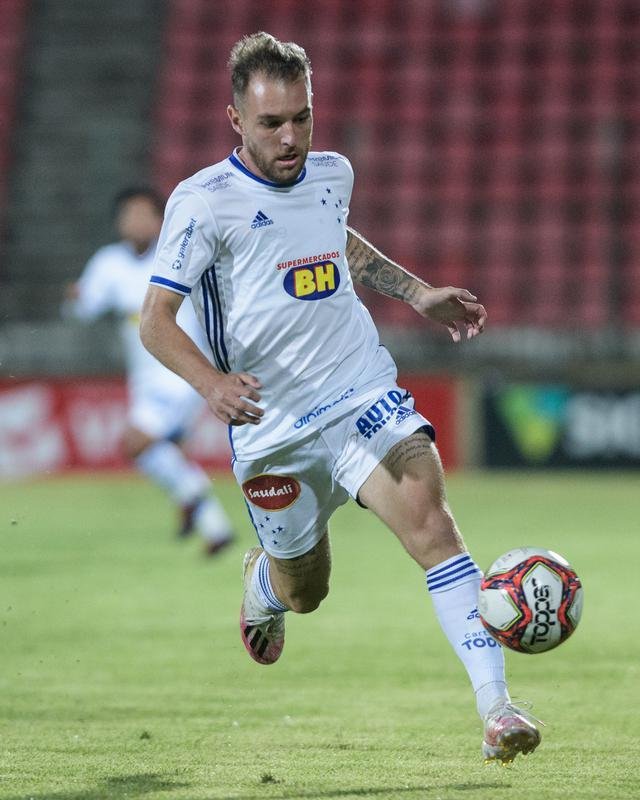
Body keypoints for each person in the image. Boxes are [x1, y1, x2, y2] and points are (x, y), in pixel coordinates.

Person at [139, 33, 541, 763]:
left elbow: (337, 241)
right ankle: (264, 582)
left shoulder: (332, 173)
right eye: (271, 124)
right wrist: (212, 384)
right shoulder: (202, 204)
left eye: (302, 117)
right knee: (306, 592)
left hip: (357, 390)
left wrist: (418, 293)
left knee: (433, 526)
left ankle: (498, 709)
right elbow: (154, 321)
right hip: (272, 428)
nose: (290, 137)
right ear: (234, 119)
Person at [66, 186, 234, 556]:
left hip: (181, 373)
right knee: (168, 454)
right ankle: (214, 527)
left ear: (160, 221)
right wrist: (76, 299)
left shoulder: (177, 256)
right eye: (129, 215)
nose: (137, 222)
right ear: (118, 222)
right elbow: (85, 306)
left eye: (145, 214)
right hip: (144, 379)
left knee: (135, 444)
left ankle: (192, 498)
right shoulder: (108, 263)